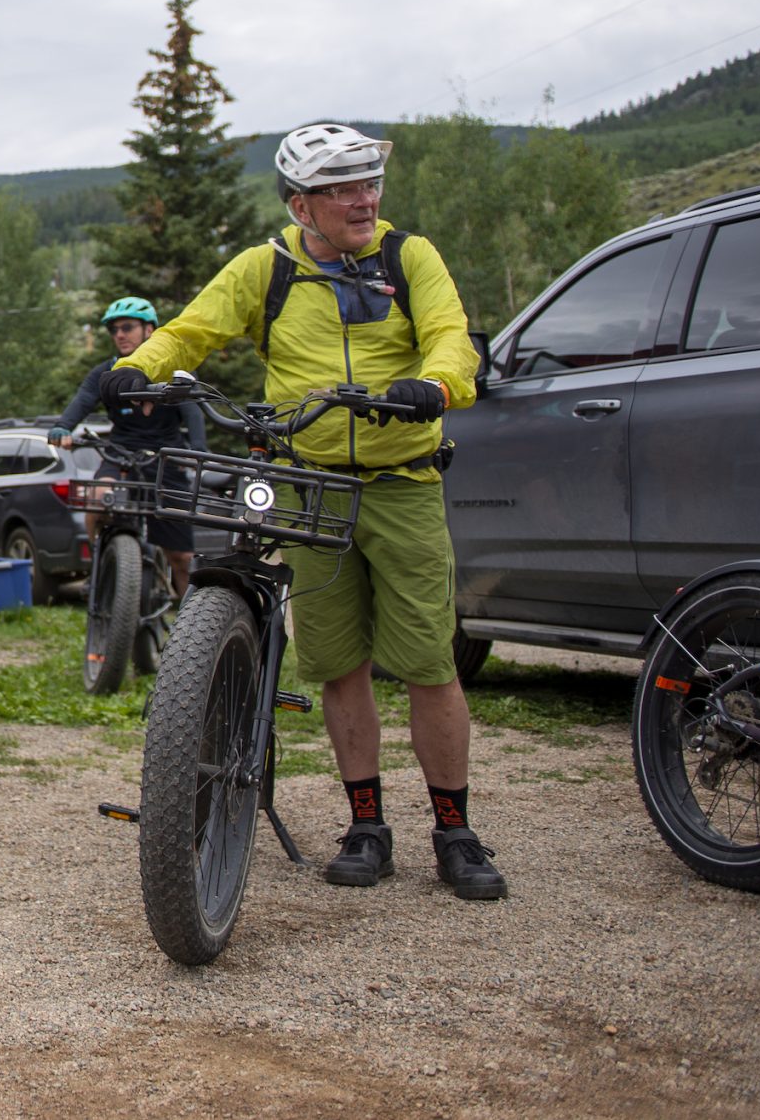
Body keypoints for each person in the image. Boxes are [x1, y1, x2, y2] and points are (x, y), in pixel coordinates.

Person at [101, 123, 504, 902]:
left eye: (369, 183)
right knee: (336, 661)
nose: (365, 199)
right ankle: (367, 825)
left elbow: (453, 338)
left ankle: (455, 830)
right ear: (301, 203)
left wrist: (437, 383)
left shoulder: (407, 257)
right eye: (343, 188)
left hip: (402, 480)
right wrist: (136, 365)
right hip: (308, 484)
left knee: (427, 662)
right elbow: (191, 329)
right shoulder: (269, 268)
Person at [52, 296, 208, 596]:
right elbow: (83, 401)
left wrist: (197, 450)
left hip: (168, 458)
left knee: (182, 558)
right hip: (121, 453)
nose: (119, 334)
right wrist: (62, 428)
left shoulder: (175, 369)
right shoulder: (106, 373)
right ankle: (98, 565)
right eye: (114, 330)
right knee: (97, 497)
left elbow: (193, 412)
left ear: (149, 330)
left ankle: (187, 625)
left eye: (127, 327)